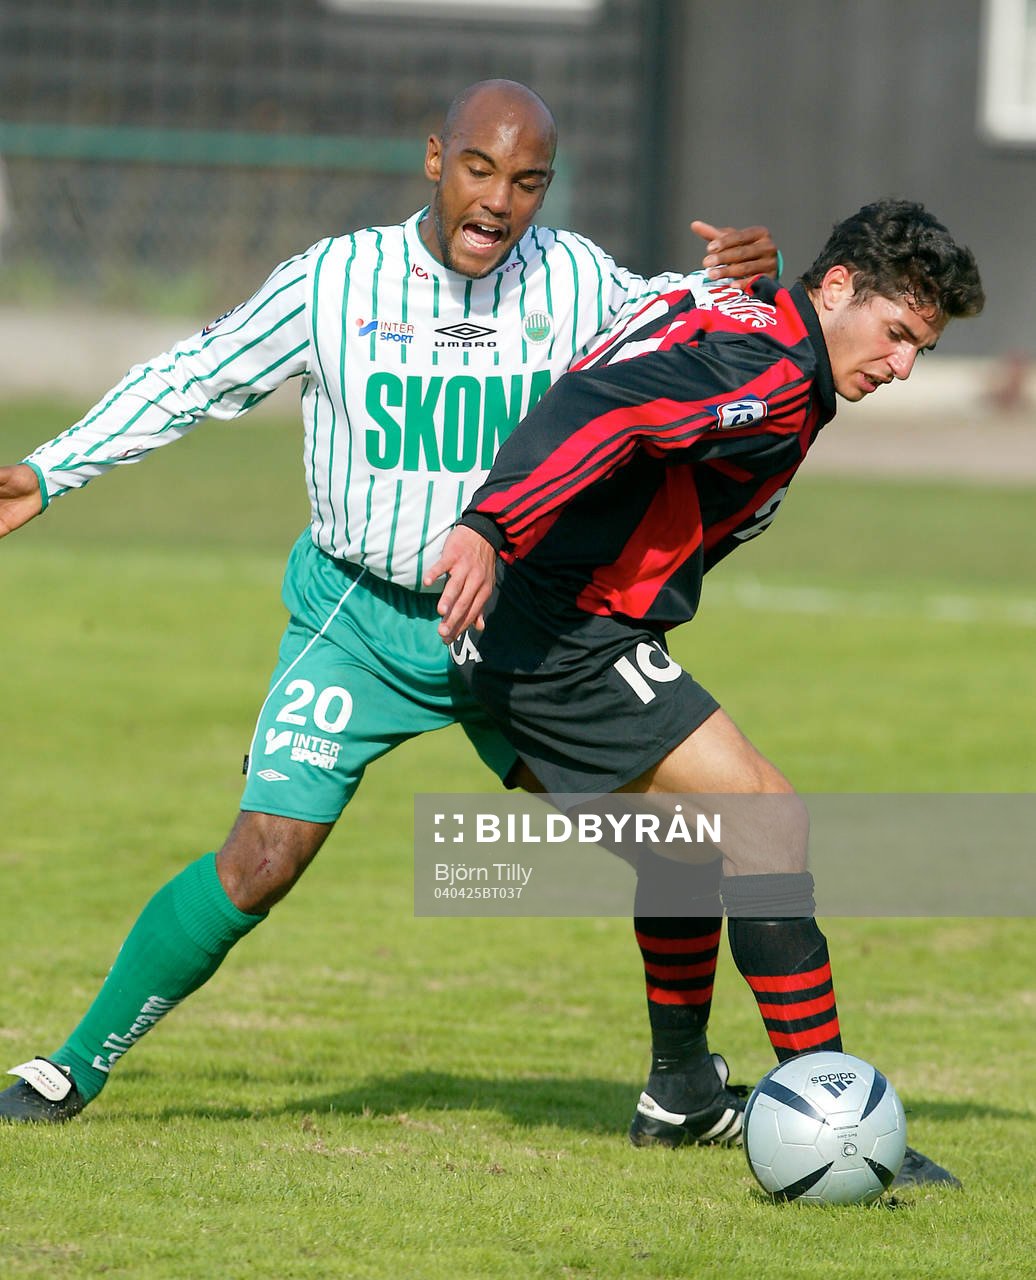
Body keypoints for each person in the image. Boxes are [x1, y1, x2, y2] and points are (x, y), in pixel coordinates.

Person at [0, 80, 777, 1128]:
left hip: (521, 632)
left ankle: (679, 1084)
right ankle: (71, 1066)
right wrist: (51, 469)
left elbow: (679, 321)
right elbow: (189, 375)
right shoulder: (333, 281)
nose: (499, 202)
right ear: (433, 160)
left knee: (677, 846)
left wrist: (743, 286)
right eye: (478, 169)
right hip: (356, 623)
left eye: (528, 181)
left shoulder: (577, 278)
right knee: (264, 855)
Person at [430, 198, 985, 1190]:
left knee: (684, 848)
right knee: (766, 822)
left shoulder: (770, 332)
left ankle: (681, 1089)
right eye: (899, 333)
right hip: (559, 636)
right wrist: (491, 522)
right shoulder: (769, 371)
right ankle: (832, 1115)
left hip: (548, 626)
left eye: (922, 348)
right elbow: (611, 406)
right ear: (840, 287)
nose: (903, 365)